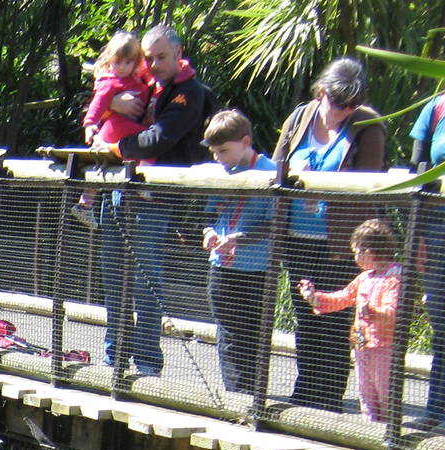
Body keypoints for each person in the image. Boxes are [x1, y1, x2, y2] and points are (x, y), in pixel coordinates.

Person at [98, 24, 214, 377]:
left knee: (147, 277)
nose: (153, 63)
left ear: (178, 53)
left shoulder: (189, 92)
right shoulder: (144, 83)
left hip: (156, 196)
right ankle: (114, 356)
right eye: (149, 57)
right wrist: (110, 103)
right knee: (112, 274)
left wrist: (115, 148)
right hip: (119, 187)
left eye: (161, 56)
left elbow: (160, 139)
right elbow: (97, 103)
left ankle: (146, 360)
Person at [272, 57, 387, 409]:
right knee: (306, 318)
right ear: (321, 93)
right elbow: (275, 167)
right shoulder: (300, 117)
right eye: (339, 103)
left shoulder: (367, 123)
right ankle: (306, 391)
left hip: (339, 243)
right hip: (297, 237)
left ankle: (327, 399)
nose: (345, 110)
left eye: (352, 103)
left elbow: (364, 182)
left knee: (333, 320)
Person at [299, 219, 405, 423]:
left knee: (385, 392)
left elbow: (393, 311)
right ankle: (369, 430)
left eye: (356, 251)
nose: (354, 256)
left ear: (370, 251)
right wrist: (315, 297)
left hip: (384, 346)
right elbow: (343, 297)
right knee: (365, 392)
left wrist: (372, 311)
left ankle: (390, 434)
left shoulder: (395, 277)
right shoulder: (364, 277)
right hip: (361, 344)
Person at [201, 109, 277, 393]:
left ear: (245, 141)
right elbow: (209, 215)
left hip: (256, 268)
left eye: (223, 150)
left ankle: (255, 396)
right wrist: (209, 233)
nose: (218, 157)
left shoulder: (271, 171)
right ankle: (236, 394)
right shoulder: (220, 172)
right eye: (213, 152)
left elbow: (275, 222)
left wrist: (239, 239)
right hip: (221, 265)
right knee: (229, 332)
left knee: (253, 333)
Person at [74, 31, 153, 228]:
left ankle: (85, 203)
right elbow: (98, 103)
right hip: (117, 127)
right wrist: (90, 124)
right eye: (118, 62)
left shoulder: (136, 78)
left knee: (104, 163)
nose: (123, 67)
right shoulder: (110, 81)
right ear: (110, 60)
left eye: (128, 62)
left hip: (119, 129)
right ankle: (144, 180)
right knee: (150, 142)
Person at [411, 90, 445, 425]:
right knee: (443, 322)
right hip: (438, 226)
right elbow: (417, 172)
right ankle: (436, 411)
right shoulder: (434, 109)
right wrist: (417, 235)